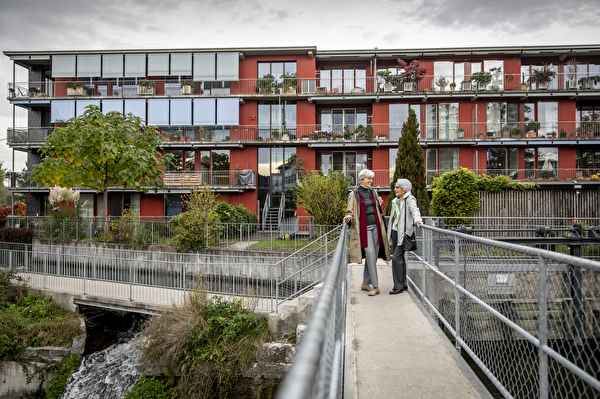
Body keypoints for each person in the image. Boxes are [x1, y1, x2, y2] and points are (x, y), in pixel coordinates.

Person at [343, 169, 391, 296]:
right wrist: (348, 218)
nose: (371, 181)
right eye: (368, 179)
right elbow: (350, 211)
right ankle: (376, 286)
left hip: (376, 226)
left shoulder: (373, 192)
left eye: (371, 179)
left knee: (373, 256)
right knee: (369, 253)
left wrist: (379, 204)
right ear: (361, 180)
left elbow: (377, 209)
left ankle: (365, 283)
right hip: (364, 228)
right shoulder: (354, 194)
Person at [387, 178, 423, 295]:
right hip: (395, 231)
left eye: (397, 187)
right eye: (395, 187)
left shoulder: (409, 199)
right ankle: (403, 284)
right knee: (400, 259)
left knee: (396, 259)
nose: (395, 189)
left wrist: (418, 220)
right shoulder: (396, 200)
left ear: (404, 189)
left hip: (404, 233)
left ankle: (397, 286)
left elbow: (414, 210)